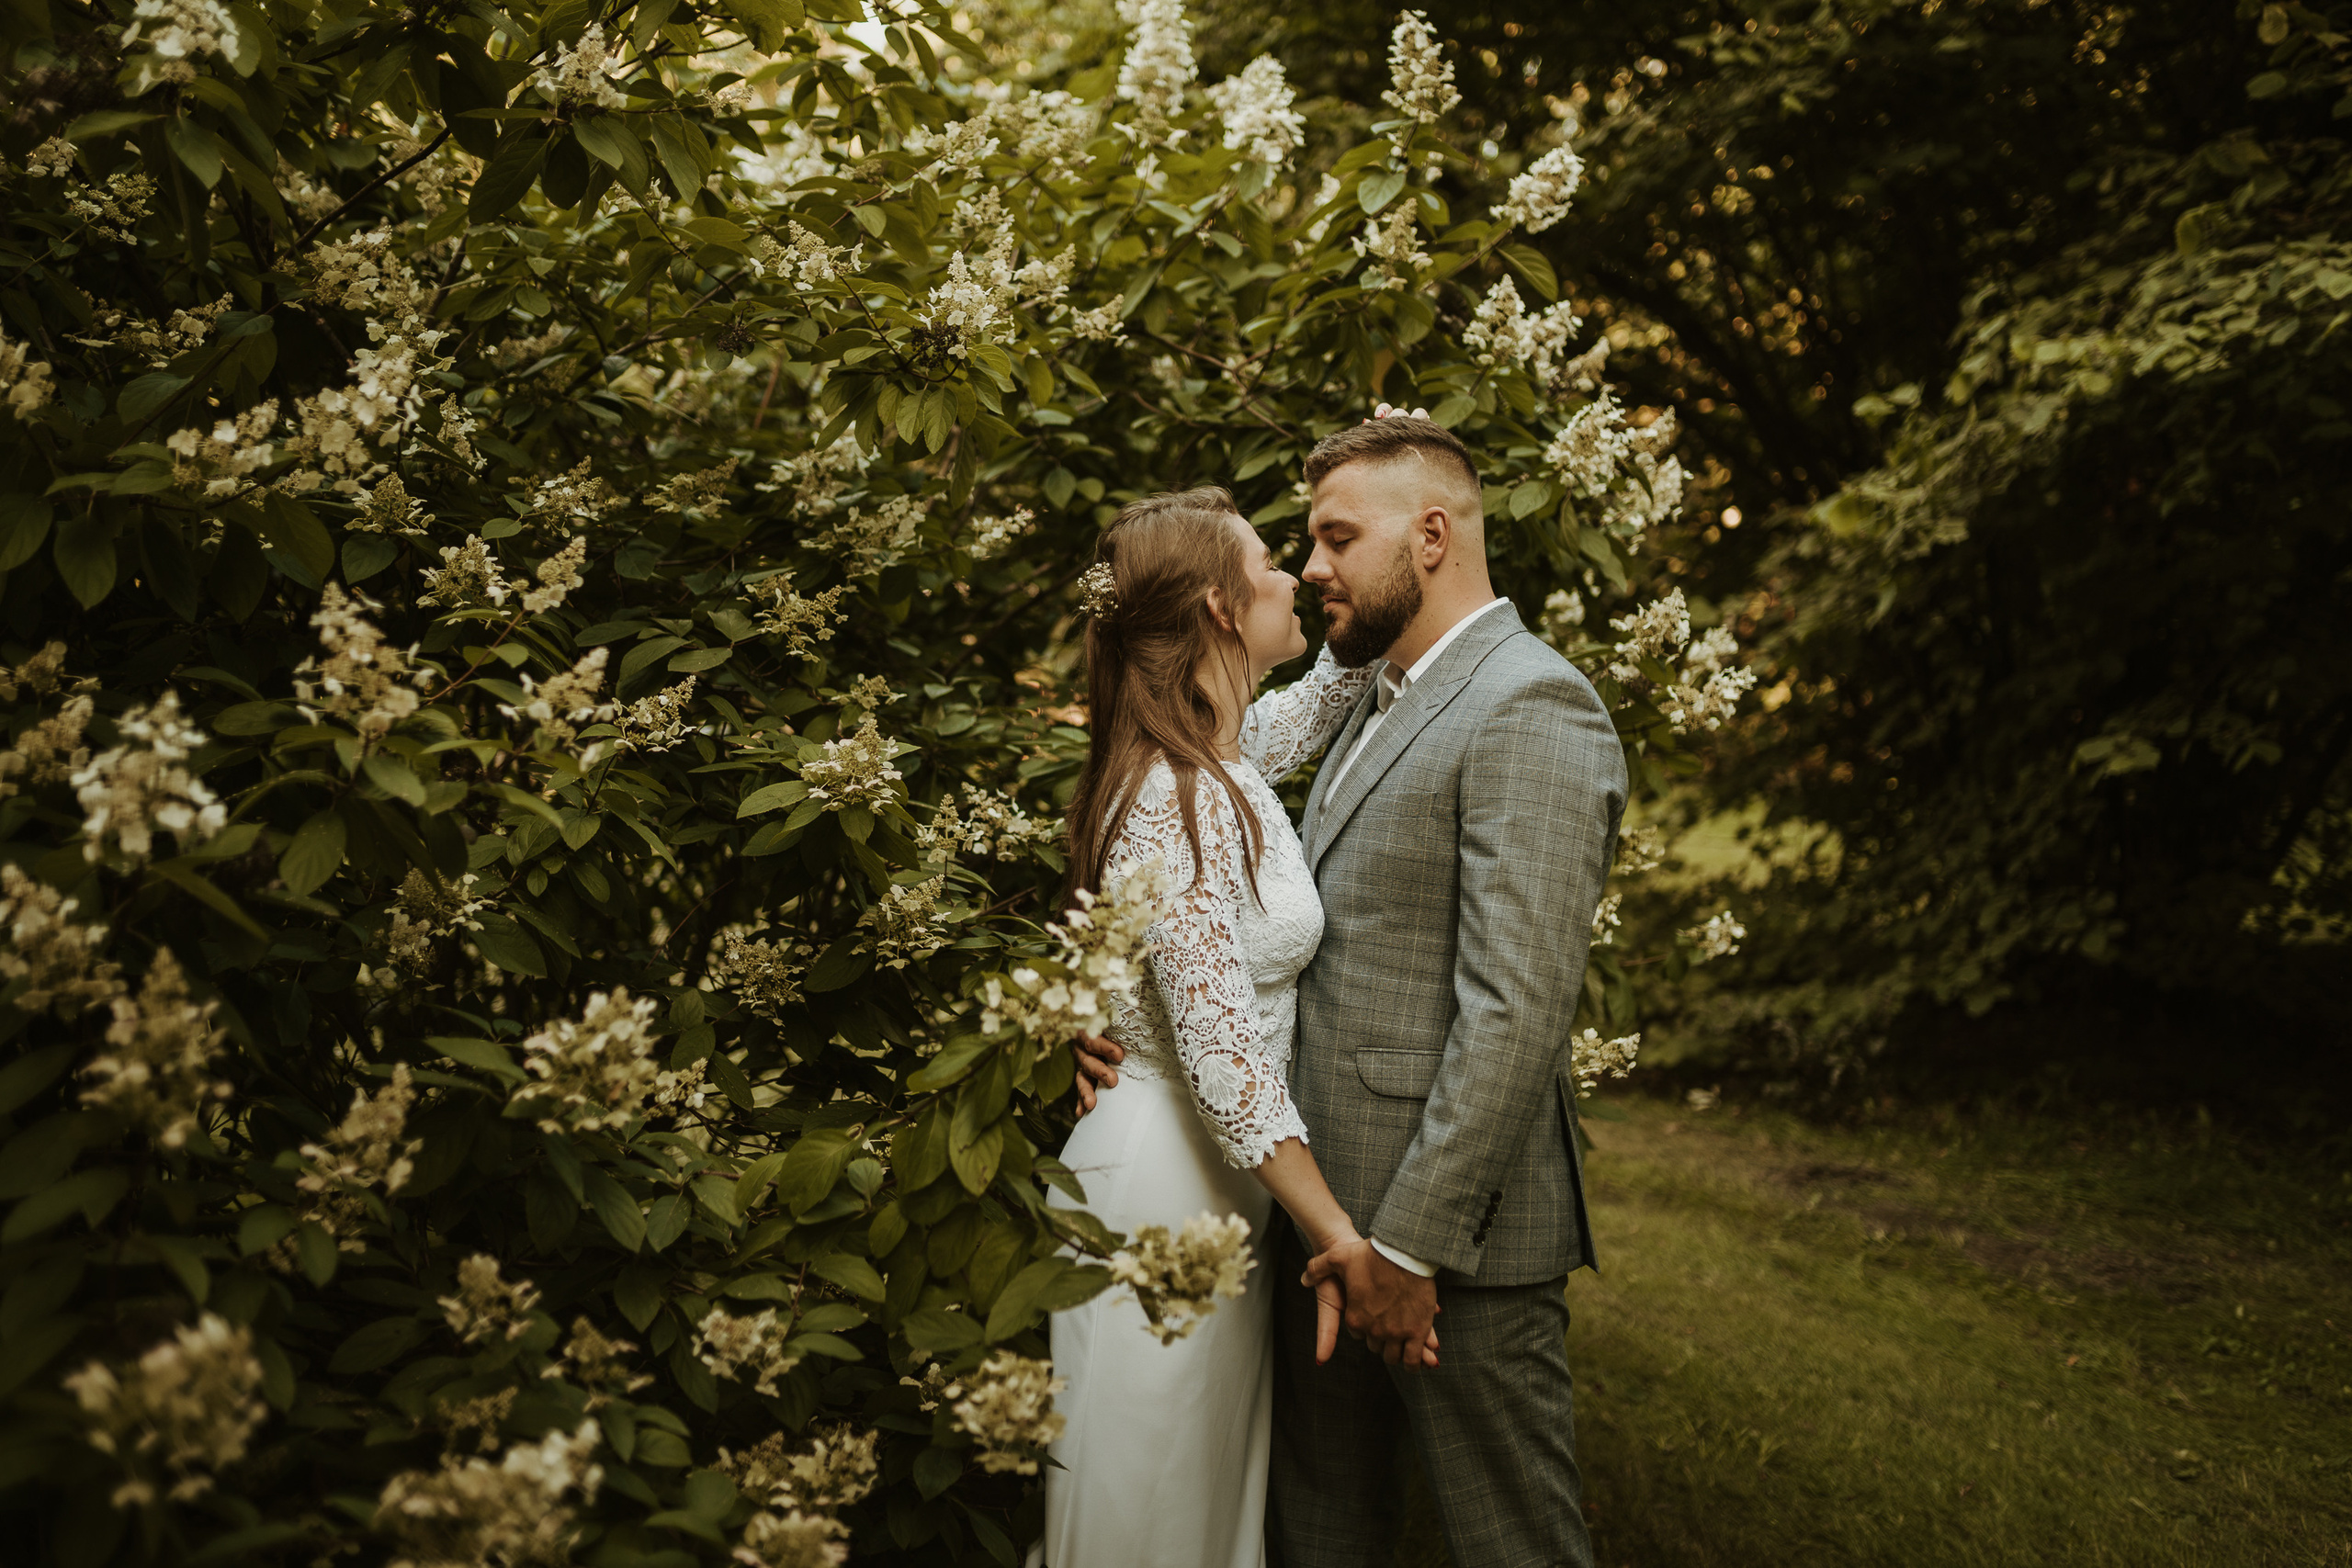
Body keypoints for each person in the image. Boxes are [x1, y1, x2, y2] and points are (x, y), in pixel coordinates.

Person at [1075, 412, 1627, 1568]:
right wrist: (1106, 1016)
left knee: (1511, 1540)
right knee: (1296, 1528)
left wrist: (1404, 1251)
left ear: (1431, 536)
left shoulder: (1526, 703)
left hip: (1441, 1239)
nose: (1311, 565)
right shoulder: (1309, 719)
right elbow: (1171, 902)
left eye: (1332, 537)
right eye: (1291, 552)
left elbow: (1514, 1011)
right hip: (1298, 1217)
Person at [1034, 484, 1434, 1568]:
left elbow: (1337, 678)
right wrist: (1338, 1236)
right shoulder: (1173, 792)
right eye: (1271, 559)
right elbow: (1224, 1060)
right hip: (1161, 1189)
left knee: (1192, 1511)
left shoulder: (1224, 756)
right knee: (1142, 1515)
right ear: (1218, 607)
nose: (1298, 574)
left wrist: (1402, 514)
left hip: (1211, 1199)